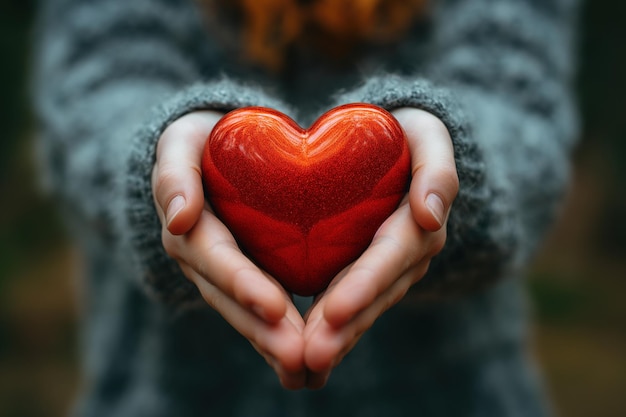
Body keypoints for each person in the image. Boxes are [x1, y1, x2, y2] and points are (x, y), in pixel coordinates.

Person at [33, 0, 581, 415]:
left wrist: (451, 162)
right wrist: (163, 156)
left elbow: (519, 103)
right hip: (162, 394)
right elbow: (96, 91)